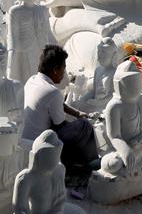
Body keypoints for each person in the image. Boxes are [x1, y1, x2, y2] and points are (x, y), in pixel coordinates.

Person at [23, 45, 100, 174]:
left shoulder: (32, 81)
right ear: (55, 70)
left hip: (26, 136)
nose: (64, 73)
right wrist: (80, 124)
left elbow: (55, 104)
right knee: (84, 126)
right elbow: (60, 125)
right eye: (63, 69)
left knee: (78, 122)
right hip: (40, 141)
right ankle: (89, 164)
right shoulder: (52, 92)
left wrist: (77, 113)